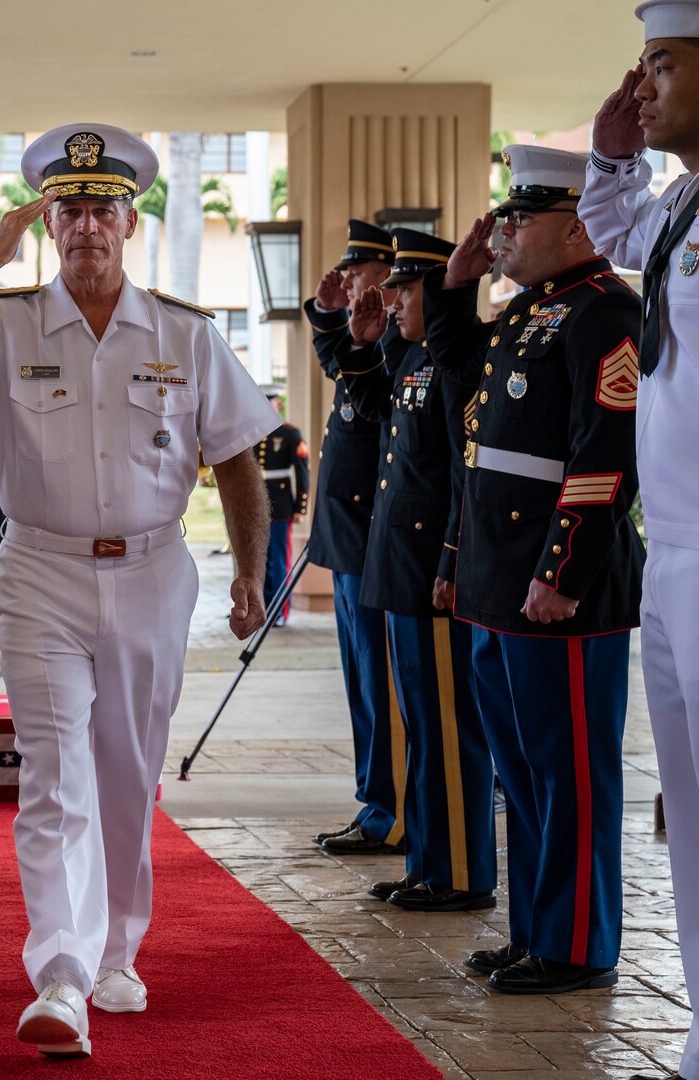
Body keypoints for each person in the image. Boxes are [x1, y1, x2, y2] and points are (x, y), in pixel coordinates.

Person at [0, 123, 279, 1058]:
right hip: (39, 572)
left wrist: (249, 575)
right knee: (55, 771)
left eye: (102, 208)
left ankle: (118, 953)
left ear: (129, 221)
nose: (85, 225)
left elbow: (235, 461)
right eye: (67, 209)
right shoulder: (5, 319)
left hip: (152, 574)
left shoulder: (184, 333)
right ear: (47, 223)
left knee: (125, 771)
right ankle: (61, 974)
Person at [430, 145, 644, 994]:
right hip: (498, 582)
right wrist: (453, 288)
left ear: (577, 224)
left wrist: (560, 568)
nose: (504, 231)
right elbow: (464, 398)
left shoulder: (602, 311)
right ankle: (534, 932)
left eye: (521, 219)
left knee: (570, 773)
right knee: (519, 768)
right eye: (506, 215)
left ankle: (579, 946)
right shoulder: (529, 311)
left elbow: (605, 452)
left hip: (559, 588)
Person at [584, 7, 699, 1065]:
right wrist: (615, 151)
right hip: (673, 550)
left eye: (662, 62)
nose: (643, 81)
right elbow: (619, 239)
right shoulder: (681, 200)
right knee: (692, 805)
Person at [336, 229, 497, 915]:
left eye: (405, 288)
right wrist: (361, 343)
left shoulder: (461, 359)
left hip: (430, 568)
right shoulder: (410, 356)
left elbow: (467, 475)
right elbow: (375, 414)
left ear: (439, 291)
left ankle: (460, 872)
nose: (394, 298)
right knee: (420, 729)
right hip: (398, 568)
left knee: (446, 730)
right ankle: (429, 862)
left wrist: (453, 558)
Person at [302, 220, 407, 852]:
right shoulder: (371, 338)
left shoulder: (400, 338)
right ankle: (375, 800)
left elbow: (364, 390)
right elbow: (336, 363)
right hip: (347, 539)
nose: (349, 282)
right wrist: (326, 313)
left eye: (359, 274)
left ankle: (390, 811)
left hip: (375, 539)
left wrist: (345, 326)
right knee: (362, 681)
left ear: (388, 278)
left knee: (383, 684)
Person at [255, 389, 308, 627]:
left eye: (270, 403)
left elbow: (302, 472)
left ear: (277, 405)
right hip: (256, 505)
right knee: (258, 560)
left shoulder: (289, 433)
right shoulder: (252, 432)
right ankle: (262, 607)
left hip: (280, 505)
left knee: (278, 560)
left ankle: (279, 610)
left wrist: (300, 507)